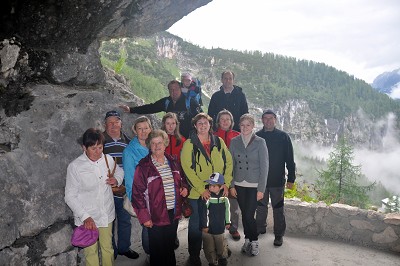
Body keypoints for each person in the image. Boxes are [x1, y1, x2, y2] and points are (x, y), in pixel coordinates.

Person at [65, 128, 124, 266]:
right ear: (84, 147)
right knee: (91, 252)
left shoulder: (107, 159)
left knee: (107, 249)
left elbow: (120, 171)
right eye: (93, 148)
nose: (98, 152)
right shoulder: (75, 167)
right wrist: (85, 216)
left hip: (106, 213)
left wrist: (116, 180)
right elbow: (69, 196)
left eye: (100, 147)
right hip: (87, 218)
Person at [180, 113, 233, 266]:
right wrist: (200, 189)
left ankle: (219, 250)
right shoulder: (189, 144)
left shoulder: (219, 141)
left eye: (205, 123)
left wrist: (226, 183)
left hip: (218, 190)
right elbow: (187, 169)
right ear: (195, 126)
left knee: (217, 221)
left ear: (210, 125)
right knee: (197, 224)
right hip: (198, 193)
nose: (203, 126)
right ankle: (194, 254)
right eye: (199, 123)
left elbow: (228, 163)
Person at [131, 130, 189, 266]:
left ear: (165, 144)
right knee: (157, 251)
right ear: (149, 146)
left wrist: (185, 188)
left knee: (169, 247)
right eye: (153, 143)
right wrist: (144, 217)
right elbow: (137, 194)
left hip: (173, 214)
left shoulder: (173, 161)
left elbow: (183, 180)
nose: (157, 146)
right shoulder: (144, 166)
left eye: (160, 143)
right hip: (155, 216)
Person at [229, 114, 269, 256]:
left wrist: (261, 189)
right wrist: (231, 185)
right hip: (239, 183)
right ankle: (248, 240)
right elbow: (230, 165)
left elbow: (265, 167)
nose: (245, 127)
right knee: (246, 214)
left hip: (254, 185)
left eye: (248, 125)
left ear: (253, 126)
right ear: (239, 126)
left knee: (248, 214)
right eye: (242, 125)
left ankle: (254, 241)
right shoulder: (234, 142)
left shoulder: (260, 142)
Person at [255, 109, 296, 247]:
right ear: (262, 120)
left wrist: (291, 178)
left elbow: (290, 159)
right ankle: (260, 227)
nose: (268, 121)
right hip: (261, 180)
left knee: (278, 208)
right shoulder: (257, 136)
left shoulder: (283, 137)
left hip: (277, 180)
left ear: (275, 119)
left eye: (271, 118)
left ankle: (279, 235)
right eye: (265, 118)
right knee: (260, 207)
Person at [102, 110, 139, 260]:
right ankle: (112, 251)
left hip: (124, 188)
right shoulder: (101, 142)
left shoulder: (128, 142)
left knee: (124, 219)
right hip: (106, 189)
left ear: (121, 123)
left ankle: (124, 247)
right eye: (110, 122)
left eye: (116, 122)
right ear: (105, 125)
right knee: (109, 222)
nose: (113, 125)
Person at [120, 80, 201, 138]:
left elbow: (201, 118)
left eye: (176, 89)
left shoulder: (190, 102)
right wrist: (131, 110)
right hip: (171, 138)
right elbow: (151, 108)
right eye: (171, 89)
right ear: (168, 90)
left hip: (188, 139)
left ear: (180, 89)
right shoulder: (166, 102)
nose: (174, 91)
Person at [122, 116, 152, 257]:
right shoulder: (129, 151)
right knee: (148, 226)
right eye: (139, 128)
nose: (143, 131)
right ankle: (150, 255)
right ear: (135, 131)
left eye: (146, 128)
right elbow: (129, 178)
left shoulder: (154, 145)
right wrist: (134, 199)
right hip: (143, 196)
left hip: (158, 195)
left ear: (150, 129)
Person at [214, 109, 241, 241]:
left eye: (227, 119)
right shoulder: (212, 136)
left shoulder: (237, 136)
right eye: (222, 119)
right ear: (218, 121)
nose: (225, 121)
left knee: (233, 204)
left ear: (231, 122)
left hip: (233, 175)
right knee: (216, 203)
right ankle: (216, 229)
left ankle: (233, 228)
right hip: (216, 176)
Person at [199, 173, 231, 266]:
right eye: (209, 185)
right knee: (209, 247)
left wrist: (228, 221)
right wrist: (205, 225)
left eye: (213, 186)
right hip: (208, 229)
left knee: (221, 245)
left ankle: (222, 258)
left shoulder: (224, 198)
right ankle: (212, 261)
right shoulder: (207, 198)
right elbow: (204, 213)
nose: (210, 188)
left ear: (221, 187)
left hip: (220, 227)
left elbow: (227, 210)